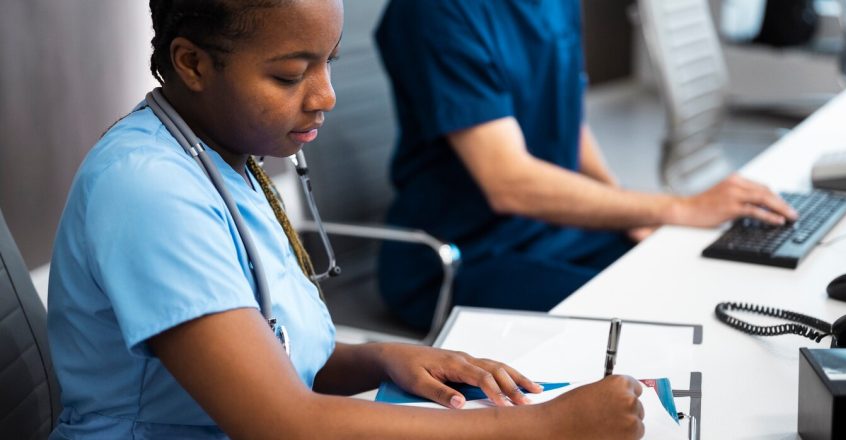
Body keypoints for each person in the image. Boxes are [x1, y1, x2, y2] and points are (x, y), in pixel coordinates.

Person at [46, 1, 646, 438]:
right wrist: (538, 429)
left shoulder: (227, 159)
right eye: (289, 74)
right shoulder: (149, 190)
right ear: (193, 64)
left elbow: (277, 352)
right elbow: (280, 419)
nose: (326, 95)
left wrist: (381, 358)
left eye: (328, 63)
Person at [375, 0, 798, 330]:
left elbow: (566, 118)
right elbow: (510, 183)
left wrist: (623, 209)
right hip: (459, 259)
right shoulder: (435, 12)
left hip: (555, 228)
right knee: (650, 317)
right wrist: (677, 207)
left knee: (691, 267)